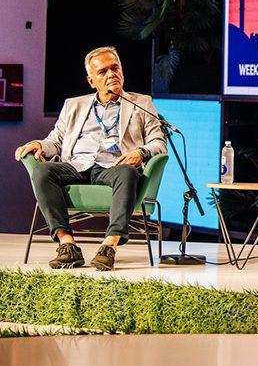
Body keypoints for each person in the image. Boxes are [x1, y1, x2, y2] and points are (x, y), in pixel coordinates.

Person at [13, 47, 166, 271]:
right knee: (42, 171)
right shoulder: (73, 105)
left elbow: (158, 143)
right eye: (103, 71)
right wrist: (40, 144)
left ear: (122, 71)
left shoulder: (141, 103)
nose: (111, 75)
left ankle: (109, 245)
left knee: (128, 172)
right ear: (91, 81)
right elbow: (56, 140)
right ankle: (67, 244)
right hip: (77, 165)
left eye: (115, 68)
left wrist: (140, 153)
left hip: (114, 166)